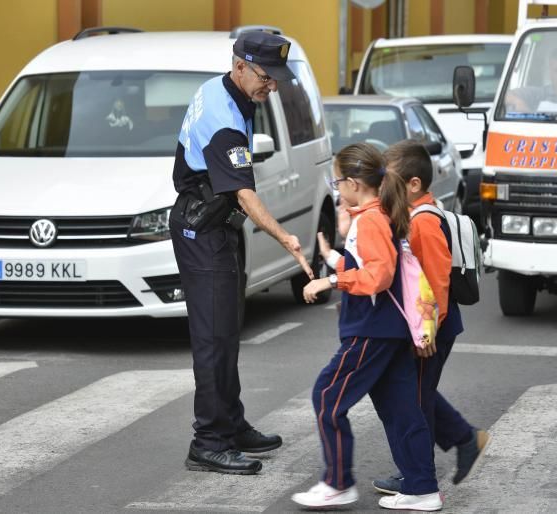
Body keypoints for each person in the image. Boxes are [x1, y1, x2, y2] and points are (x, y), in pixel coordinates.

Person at [170, 31, 313, 476]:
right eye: (266, 78)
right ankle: (208, 441)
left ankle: (230, 424)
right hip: (203, 232)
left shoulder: (223, 88)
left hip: (217, 228)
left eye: (275, 80)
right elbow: (245, 194)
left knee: (228, 332)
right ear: (240, 67)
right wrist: (285, 237)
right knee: (213, 340)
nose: (272, 87)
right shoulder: (223, 117)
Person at [291, 143, 442, 511]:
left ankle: (338, 482)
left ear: (355, 183)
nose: (336, 188)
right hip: (386, 329)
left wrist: (328, 282)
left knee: (327, 397)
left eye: (338, 180)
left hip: (372, 330)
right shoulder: (375, 215)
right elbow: (372, 266)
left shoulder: (372, 219)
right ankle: (422, 488)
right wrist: (334, 256)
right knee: (402, 408)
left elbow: (378, 275)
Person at [372, 140, 490, 497]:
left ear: (413, 185)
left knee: (413, 401)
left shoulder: (423, 222)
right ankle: (464, 438)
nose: (382, 190)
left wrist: (426, 334)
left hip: (431, 326)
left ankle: (418, 476)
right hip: (429, 322)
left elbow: (437, 281)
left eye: (388, 182)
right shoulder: (418, 214)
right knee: (415, 393)